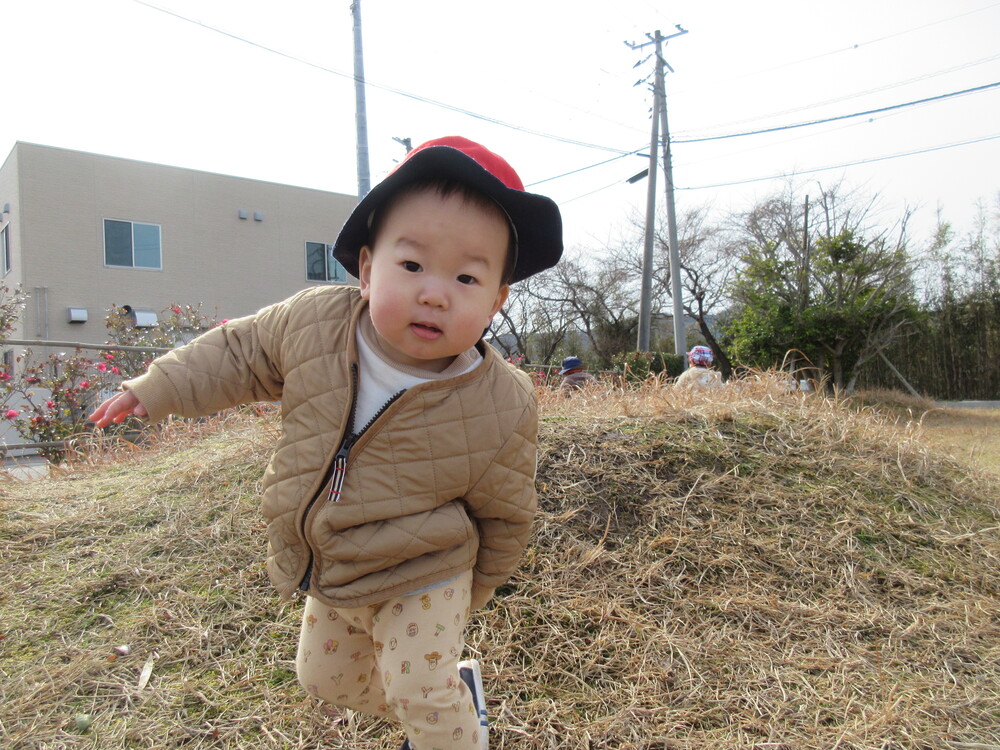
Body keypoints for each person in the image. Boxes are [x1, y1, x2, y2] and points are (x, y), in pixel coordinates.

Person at [89, 136, 563, 750]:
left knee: (421, 689)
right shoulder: (313, 324)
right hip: (334, 558)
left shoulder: (502, 398)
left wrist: (479, 588)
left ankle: (443, 718)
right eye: (412, 265)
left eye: (467, 276)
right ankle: (452, 703)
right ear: (367, 268)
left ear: (497, 300)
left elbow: (507, 505)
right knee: (326, 681)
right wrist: (154, 388)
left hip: (429, 568)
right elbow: (238, 352)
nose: (435, 292)